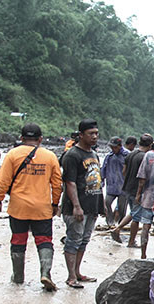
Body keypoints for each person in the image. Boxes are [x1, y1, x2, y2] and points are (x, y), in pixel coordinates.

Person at [0, 123, 62, 291]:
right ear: (40, 139)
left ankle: (18, 277)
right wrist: (55, 203)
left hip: (18, 207)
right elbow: (57, 183)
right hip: (42, 208)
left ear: (22, 138)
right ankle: (45, 273)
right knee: (44, 240)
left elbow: (3, 181)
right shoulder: (50, 156)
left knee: (18, 240)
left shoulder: (12, 155)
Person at [61, 119, 103, 289]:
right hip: (76, 208)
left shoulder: (94, 154)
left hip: (91, 205)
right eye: (90, 134)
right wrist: (76, 206)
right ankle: (71, 276)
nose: (94, 137)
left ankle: (78, 272)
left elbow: (97, 180)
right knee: (73, 240)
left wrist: (101, 205)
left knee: (84, 240)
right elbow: (69, 183)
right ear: (81, 135)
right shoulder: (72, 155)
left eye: (96, 133)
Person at [111, 134, 153, 246]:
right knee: (136, 216)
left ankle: (120, 230)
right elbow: (143, 178)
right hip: (137, 190)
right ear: (150, 145)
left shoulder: (130, 154)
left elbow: (124, 171)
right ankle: (127, 238)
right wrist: (140, 192)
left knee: (134, 212)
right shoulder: (145, 157)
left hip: (127, 188)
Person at [101, 136, 128, 227]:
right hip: (111, 186)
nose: (113, 149)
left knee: (121, 208)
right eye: (112, 147)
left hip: (123, 186)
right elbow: (103, 169)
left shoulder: (127, 155)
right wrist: (102, 180)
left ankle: (120, 224)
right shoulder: (109, 156)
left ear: (120, 146)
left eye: (115, 147)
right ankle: (110, 222)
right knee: (107, 203)